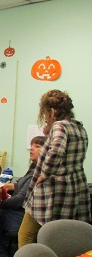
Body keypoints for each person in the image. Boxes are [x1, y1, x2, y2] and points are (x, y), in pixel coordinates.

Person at [19, 89, 91, 247]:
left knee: (26, 236)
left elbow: (57, 150)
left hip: (53, 193)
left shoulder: (60, 126)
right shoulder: (80, 128)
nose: (46, 119)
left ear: (52, 111)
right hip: (74, 189)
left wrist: (44, 173)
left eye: (45, 115)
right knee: (60, 238)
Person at [0, 136, 47, 257]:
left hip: (25, 215)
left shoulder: (40, 170)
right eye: (31, 145)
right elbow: (25, 188)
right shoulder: (34, 167)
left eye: (37, 146)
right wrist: (14, 186)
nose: (32, 149)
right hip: (21, 211)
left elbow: (21, 200)